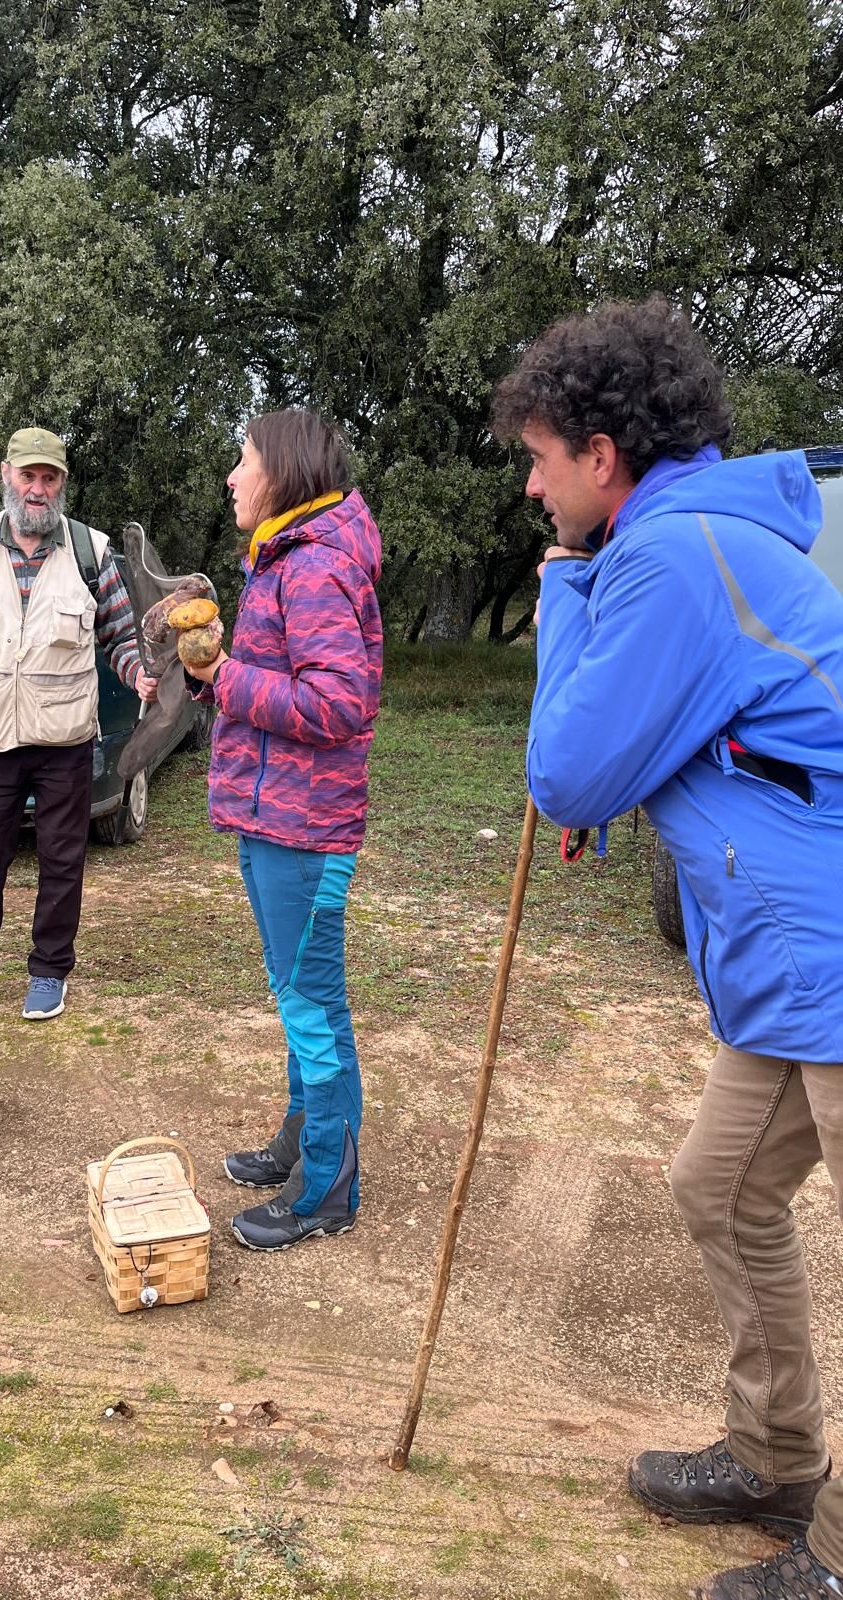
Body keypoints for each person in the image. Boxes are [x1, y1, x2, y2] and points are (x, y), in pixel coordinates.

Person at [492, 296, 843, 1600]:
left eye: (538, 460)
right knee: (724, 1187)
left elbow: (572, 772)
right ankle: (773, 1457)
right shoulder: (687, 537)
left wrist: (569, 597)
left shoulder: (672, 555)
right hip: (794, 959)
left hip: (833, 942)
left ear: (602, 454)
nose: (531, 487)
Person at [184, 409, 383, 1251]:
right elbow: (282, 684)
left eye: (243, 459)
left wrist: (226, 677)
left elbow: (340, 703)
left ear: (284, 469)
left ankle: (326, 1189)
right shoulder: (285, 558)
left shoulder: (312, 568)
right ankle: (303, 1139)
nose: (231, 476)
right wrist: (213, 675)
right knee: (297, 995)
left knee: (312, 1003)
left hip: (302, 825)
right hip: (277, 814)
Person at [0, 428, 157, 1021]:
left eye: (50, 478)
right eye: (29, 476)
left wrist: (137, 676)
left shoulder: (91, 551)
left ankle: (49, 972)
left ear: (62, 484)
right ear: (7, 476)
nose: (38, 488)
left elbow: (120, 637)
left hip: (65, 739)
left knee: (62, 859)